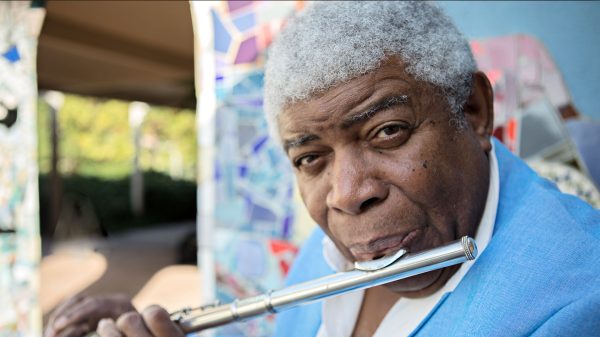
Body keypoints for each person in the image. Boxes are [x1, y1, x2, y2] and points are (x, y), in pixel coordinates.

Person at [47, 2, 600, 336]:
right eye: (311, 158)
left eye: (388, 132)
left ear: (474, 112)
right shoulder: (350, 243)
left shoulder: (576, 304)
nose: (348, 194)